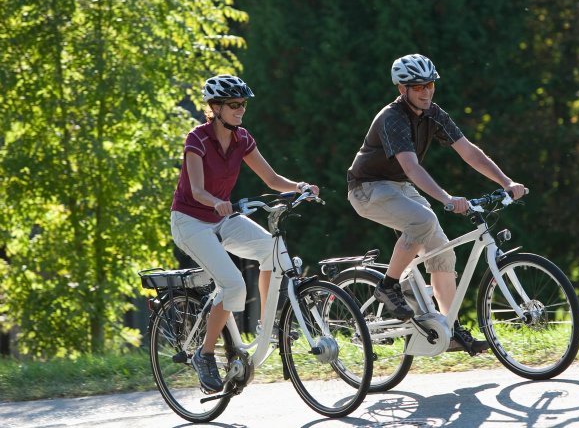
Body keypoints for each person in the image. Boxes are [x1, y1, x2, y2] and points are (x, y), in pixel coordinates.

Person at [346, 54, 527, 354]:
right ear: (402, 90)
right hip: (367, 188)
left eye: (430, 84)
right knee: (423, 221)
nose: (426, 92)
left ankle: (450, 328)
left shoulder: (434, 114)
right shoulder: (392, 118)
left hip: (400, 187)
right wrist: (445, 198)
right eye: (418, 87)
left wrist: (505, 182)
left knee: (442, 253)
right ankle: (388, 287)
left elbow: (469, 151)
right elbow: (411, 167)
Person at [170, 74, 319, 393]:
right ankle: (205, 354)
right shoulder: (197, 139)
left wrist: (300, 186)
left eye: (243, 104)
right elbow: (196, 191)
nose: (240, 110)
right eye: (234, 105)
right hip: (190, 220)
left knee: (271, 250)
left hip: (223, 217)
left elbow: (271, 178)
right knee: (234, 285)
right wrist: (216, 202)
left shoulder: (242, 140)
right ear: (215, 107)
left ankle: (268, 325)